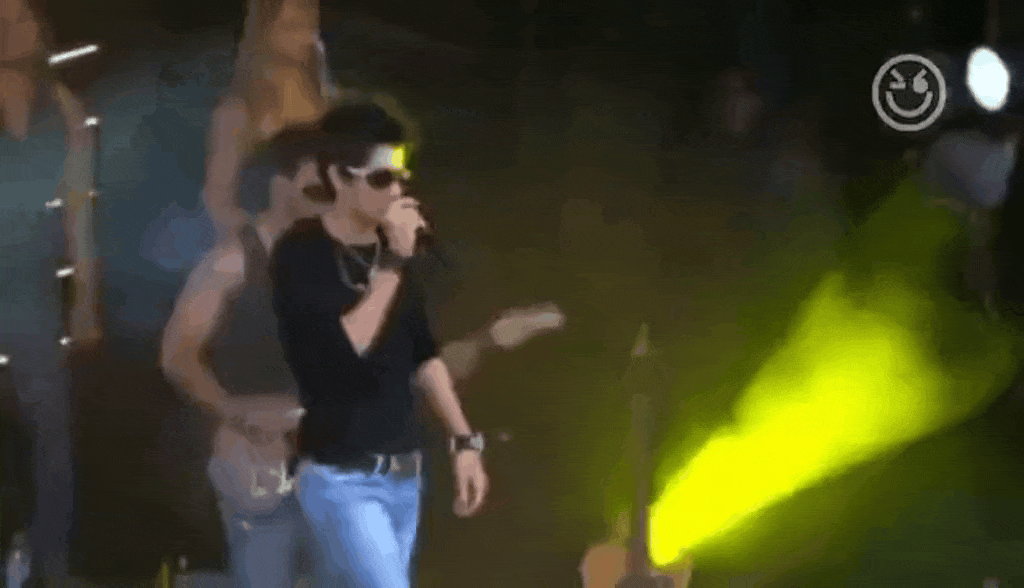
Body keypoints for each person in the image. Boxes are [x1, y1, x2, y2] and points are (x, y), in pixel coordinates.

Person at [163, 110, 564, 585]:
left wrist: (485, 348)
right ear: (279, 184)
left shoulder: (356, 260)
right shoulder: (236, 260)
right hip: (265, 464)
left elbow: (402, 364)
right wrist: (235, 412)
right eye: (318, 189)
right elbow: (179, 355)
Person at [270, 100, 489, 587]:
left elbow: (423, 356)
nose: (396, 191)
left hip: (404, 474)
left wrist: (464, 441)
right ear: (338, 177)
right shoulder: (302, 252)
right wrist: (393, 263)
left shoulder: (394, 255)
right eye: (381, 179)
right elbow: (348, 347)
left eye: (400, 178)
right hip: (339, 477)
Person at [0, 1, 101, 585]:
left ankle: (52, 564)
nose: (10, 30)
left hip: (32, 287)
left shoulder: (62, 106)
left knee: (50, 434)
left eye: (20, 18)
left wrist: (86, 298)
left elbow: (78, 210)